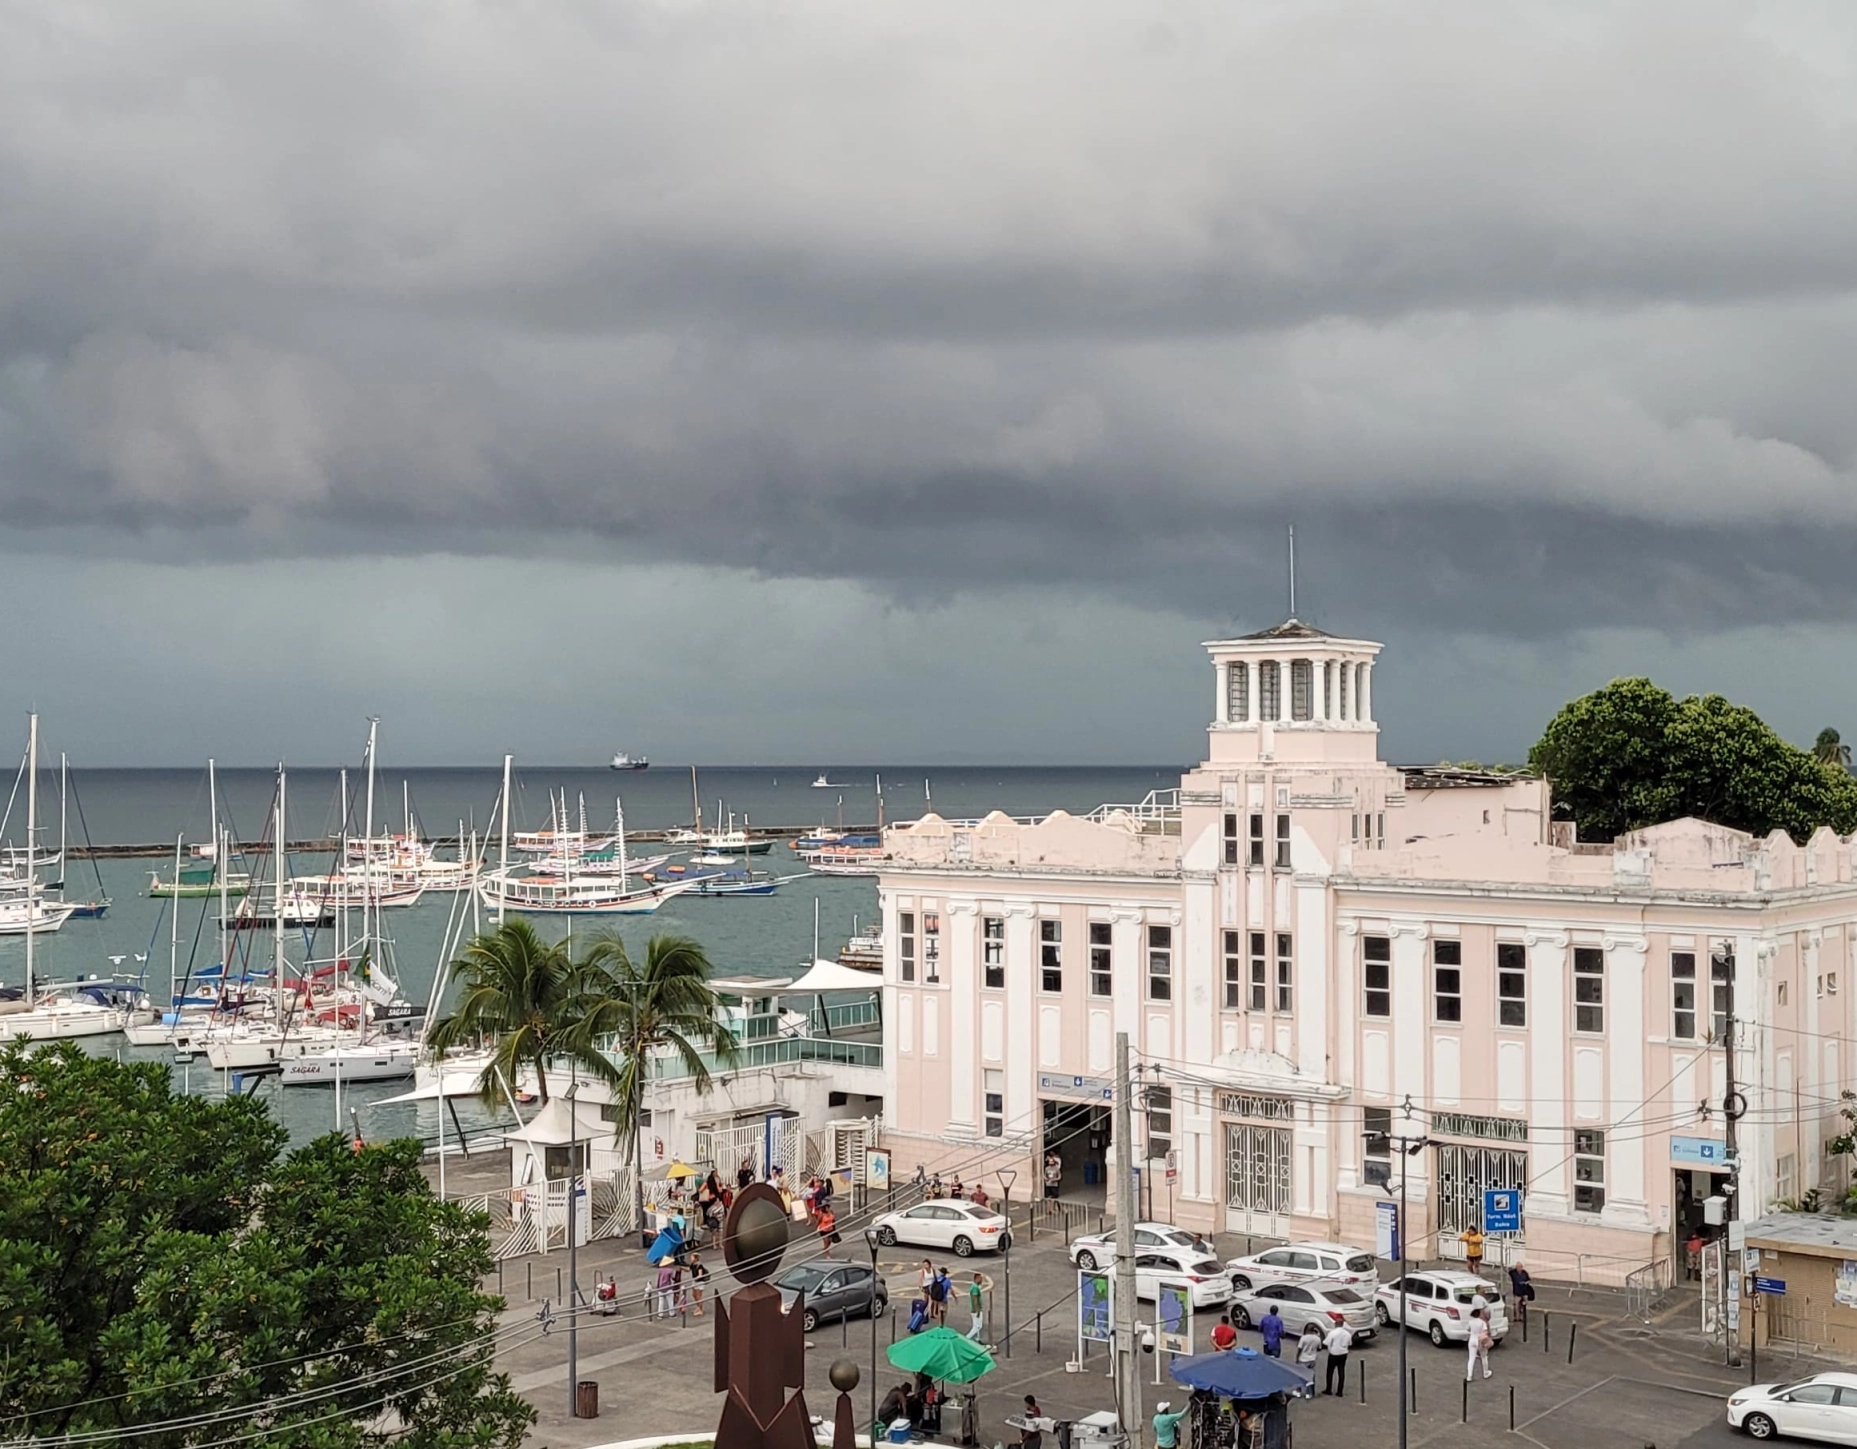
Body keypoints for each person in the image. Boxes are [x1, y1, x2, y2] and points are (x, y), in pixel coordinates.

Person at [1322, 1319, 1352, 1396]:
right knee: (1341, 1372)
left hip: (1334, 1354)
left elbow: (1326, 1342)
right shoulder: (1347, 1334)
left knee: (1330, 1372)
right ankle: (1340, 1391)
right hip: (1343, 1354)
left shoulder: (1332, 1333)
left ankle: (1328, 1389)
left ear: (1335, 1324)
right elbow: (1349, 1343)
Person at [1465, 1307, 1493, 1381]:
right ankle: (1485, 1373)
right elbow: (1485, 1331)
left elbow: (1467, 1329)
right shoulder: (1482, 1322)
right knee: (1483, 1357)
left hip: (1472, 1340)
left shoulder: (1470, 1322)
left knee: (1471, 1358)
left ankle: (1469, 1376)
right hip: (1480, 1340)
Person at [966, 1271, 986, 1342]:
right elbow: (975, 1299)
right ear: (976, 1278)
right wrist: (978, 1310)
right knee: (978, 1326)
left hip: (975, 1309)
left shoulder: (975, 1286)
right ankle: (967, 1338)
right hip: (976, 1310)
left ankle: (978, 1339)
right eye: (980, 1279)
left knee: (977, 1325)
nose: (981, 1280)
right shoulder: (975, 1288)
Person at [688, 1252, 710, 1316]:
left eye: (692, 1257)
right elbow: (688, 1270)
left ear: (695, 1258)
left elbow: (700, 1275)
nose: (690, 1258)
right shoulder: (692, 1264)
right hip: (694, 1281)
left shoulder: (699, 1265)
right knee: (694, 1295)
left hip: (699, 1282)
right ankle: (698, 1306)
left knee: (698, 1296)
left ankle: (701, 1310)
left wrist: (695, 1278)